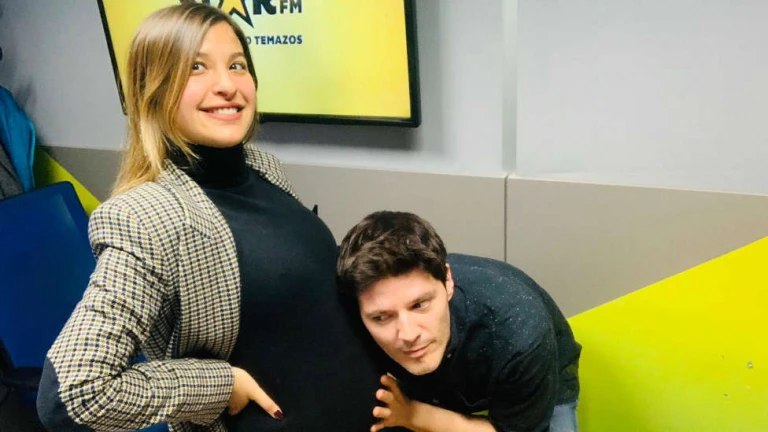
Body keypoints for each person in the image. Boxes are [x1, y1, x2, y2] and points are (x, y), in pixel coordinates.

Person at [36, 4, 386, 431]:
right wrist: (220, 384)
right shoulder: (147, 215)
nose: (227, 85)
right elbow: (73, 394)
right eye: (196, 67)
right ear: (154, 89)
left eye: (237, 65)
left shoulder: (264, 169)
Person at [336, 211, 583, 432]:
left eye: (419, 305)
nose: (408, 335)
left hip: (532, 373)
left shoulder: (521, 334)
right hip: (434, 384)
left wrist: (414, 415)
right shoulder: (350, 307)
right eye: (381, 317)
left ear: (447, 281)